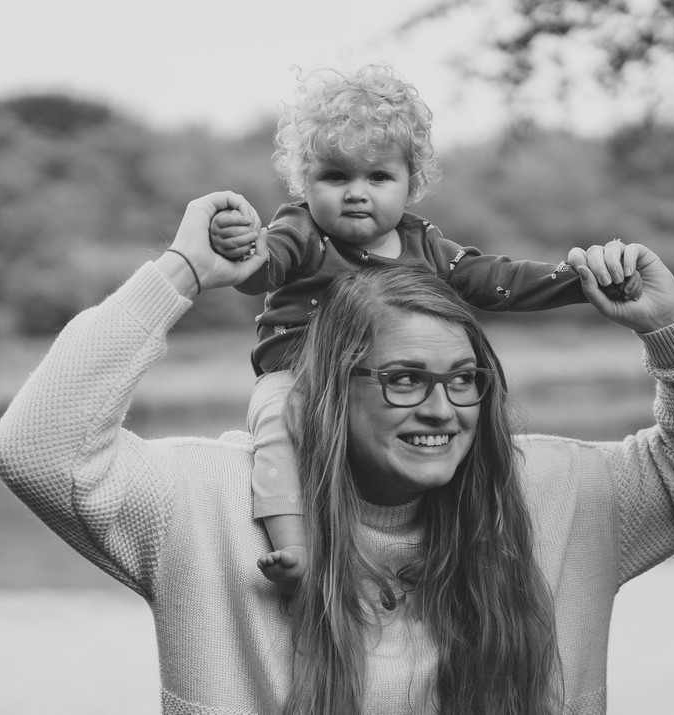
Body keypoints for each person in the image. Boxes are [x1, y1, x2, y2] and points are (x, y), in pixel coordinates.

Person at [0, 190, 674, 715]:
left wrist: (669, 324)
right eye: (404, 378)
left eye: (464, 379)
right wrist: (180, 274)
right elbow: (38, 449)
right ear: (327, 387)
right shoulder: (207, 503)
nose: (443, 408)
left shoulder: (553, 493)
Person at [206, 64, 609, 591]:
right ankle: (293, 543)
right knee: (278, 424)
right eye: (335, 176)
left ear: (410, 184)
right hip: (299, 378)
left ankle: (464, 550)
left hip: (390, 390)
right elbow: (264, 268)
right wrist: (240, 244)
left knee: (467, 420)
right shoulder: (301, 234)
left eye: (377, 177)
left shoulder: (425, 247)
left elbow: (496, 279)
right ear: (304, 182)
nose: (356, 193)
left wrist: (580, 283)